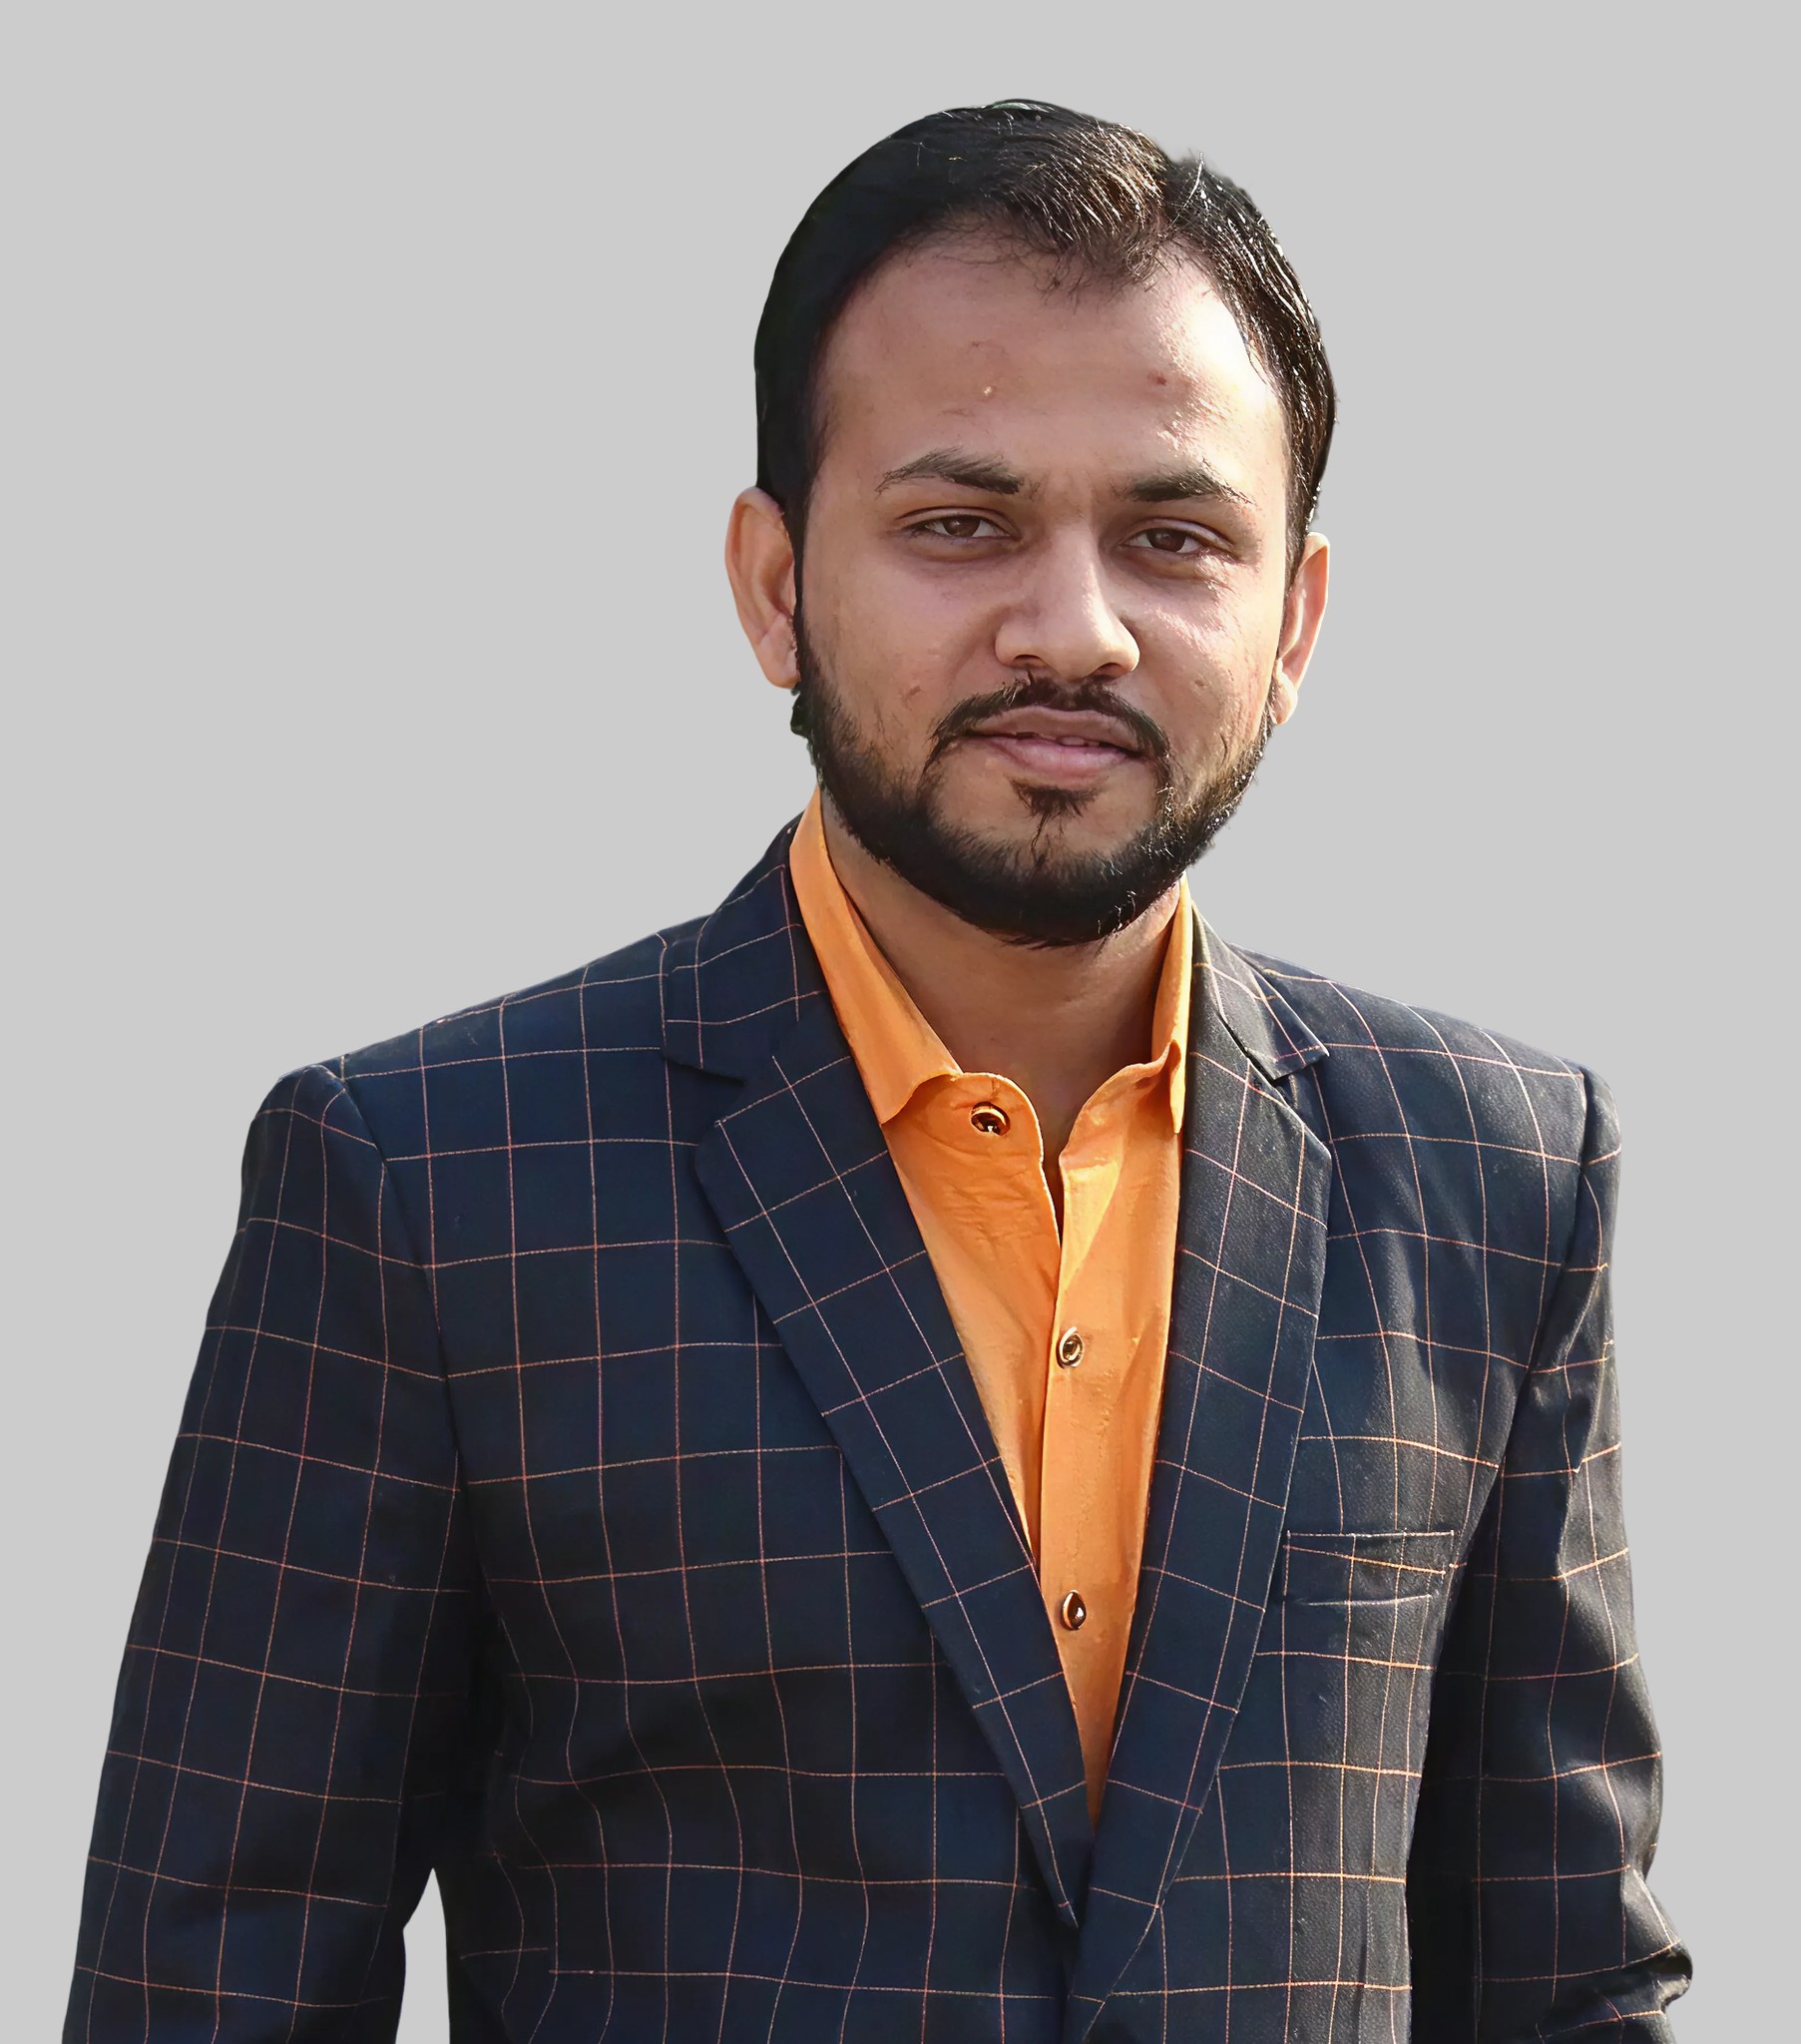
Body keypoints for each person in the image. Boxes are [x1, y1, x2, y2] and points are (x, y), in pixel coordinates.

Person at [65, 101, 1689, 2041]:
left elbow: (1565, 1976)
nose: (1070, 625)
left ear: (1295, 623)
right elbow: (205, 1992)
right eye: (960, 523)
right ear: (775, 584)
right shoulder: (426, 1190)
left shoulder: (1494, 1173)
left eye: (1174, 536)